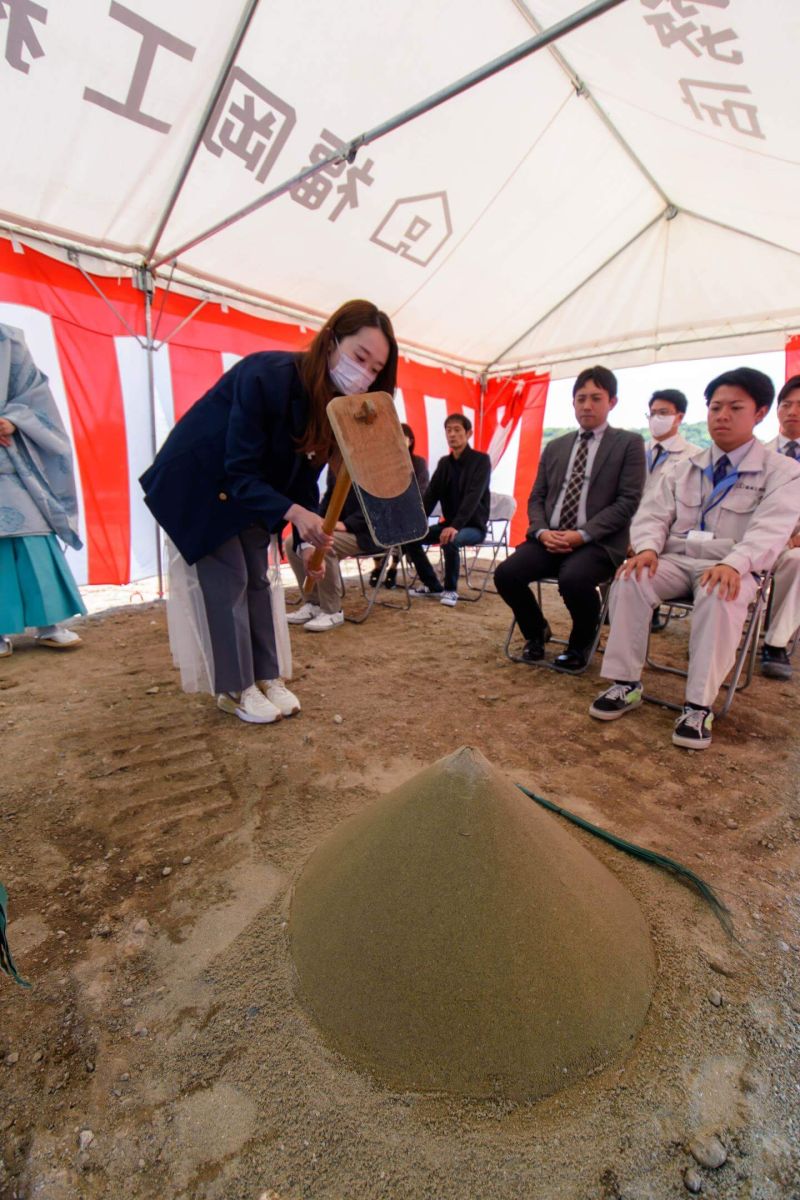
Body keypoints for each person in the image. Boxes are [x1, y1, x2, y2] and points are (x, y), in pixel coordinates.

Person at [140, 300, 397, 723]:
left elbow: (303, 474)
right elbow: (239, 470)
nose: (363, 374)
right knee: (230, 582)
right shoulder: (268, 375)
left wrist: (305, 533)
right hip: (204, 484)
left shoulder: (333, 405)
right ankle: (235, 688)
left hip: (254, 494)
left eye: (375, 369)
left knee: (258, 580)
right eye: (359, 357)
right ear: (331, 340)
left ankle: (267, 676)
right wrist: (294, 513)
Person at [590, 367, 800, 750]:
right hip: (676, 558)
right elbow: (653, 515)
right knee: (630, 577)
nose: (722, 415)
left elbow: (770, 531)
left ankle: (698, 706)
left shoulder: (782, 472)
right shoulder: (684, 467)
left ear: (760, 413)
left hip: (732, 564)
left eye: (735, 407)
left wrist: (736, 563)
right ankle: (625, 684)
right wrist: (649, 548)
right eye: (716, 406)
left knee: (720, 592)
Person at [494, 365, 645, 671]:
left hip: (598, 543)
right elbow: (536, 497)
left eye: (596, 398)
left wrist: (584, 534)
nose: (587, 405)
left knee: (574, 579)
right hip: (551, 537)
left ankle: (581, 643)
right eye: (581, 398)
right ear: (573, 402)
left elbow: (628, 501)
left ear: (612, 402)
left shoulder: (628, 444)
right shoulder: (556, 446)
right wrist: (540, 532)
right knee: (506, 574)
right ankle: (536, 633)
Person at [0, 323, 85, 659]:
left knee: (34, 536)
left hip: (11, 456)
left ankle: (50, 624)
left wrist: (15, 421)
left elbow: (35, 394)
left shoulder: (7, 339)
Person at [404, 413, 491, 607]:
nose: (452, 434)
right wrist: (417, 522)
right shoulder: (444, 463)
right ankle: (433, 584)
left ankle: (450, 590)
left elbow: (473, 497)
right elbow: (430, 496)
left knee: (450, 539)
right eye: (448, 430)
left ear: (469, 433)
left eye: (457, 430)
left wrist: (456, 526)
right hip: (449, 525)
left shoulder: (481, 460)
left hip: (473, 527)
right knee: (411, 538)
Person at [285, 465, 384, 631]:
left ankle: (332, 611)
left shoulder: (373, 465)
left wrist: (346, 524)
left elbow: (379, 506)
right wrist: (317, 520)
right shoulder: (337, 466)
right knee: (293, 542)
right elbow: (329, 501)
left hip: (369, 533)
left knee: (324, 545)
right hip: (342, 529)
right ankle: (313, 603)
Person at [759, 374, 800, 679]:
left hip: (793, 545)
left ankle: (775, 644)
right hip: (755, 539)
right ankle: (717, 628)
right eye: (786, 404)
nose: (792, 411)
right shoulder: (757, 453)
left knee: (799, 562)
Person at [369, 423, 429, 589]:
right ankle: (378, 565)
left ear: (410, 441)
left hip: (409, 511)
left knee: (401, 525)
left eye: (401, 437)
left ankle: (393, 567)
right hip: (386, 510)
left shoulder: (418, 463)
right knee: (373, 518)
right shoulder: (383, 464)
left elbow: (422, 489)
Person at [643, 388, 696, 492]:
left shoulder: (694, 456)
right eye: (653, 413)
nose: (656, 418)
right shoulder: (636, 450)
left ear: (679, 417)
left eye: (663, 413)